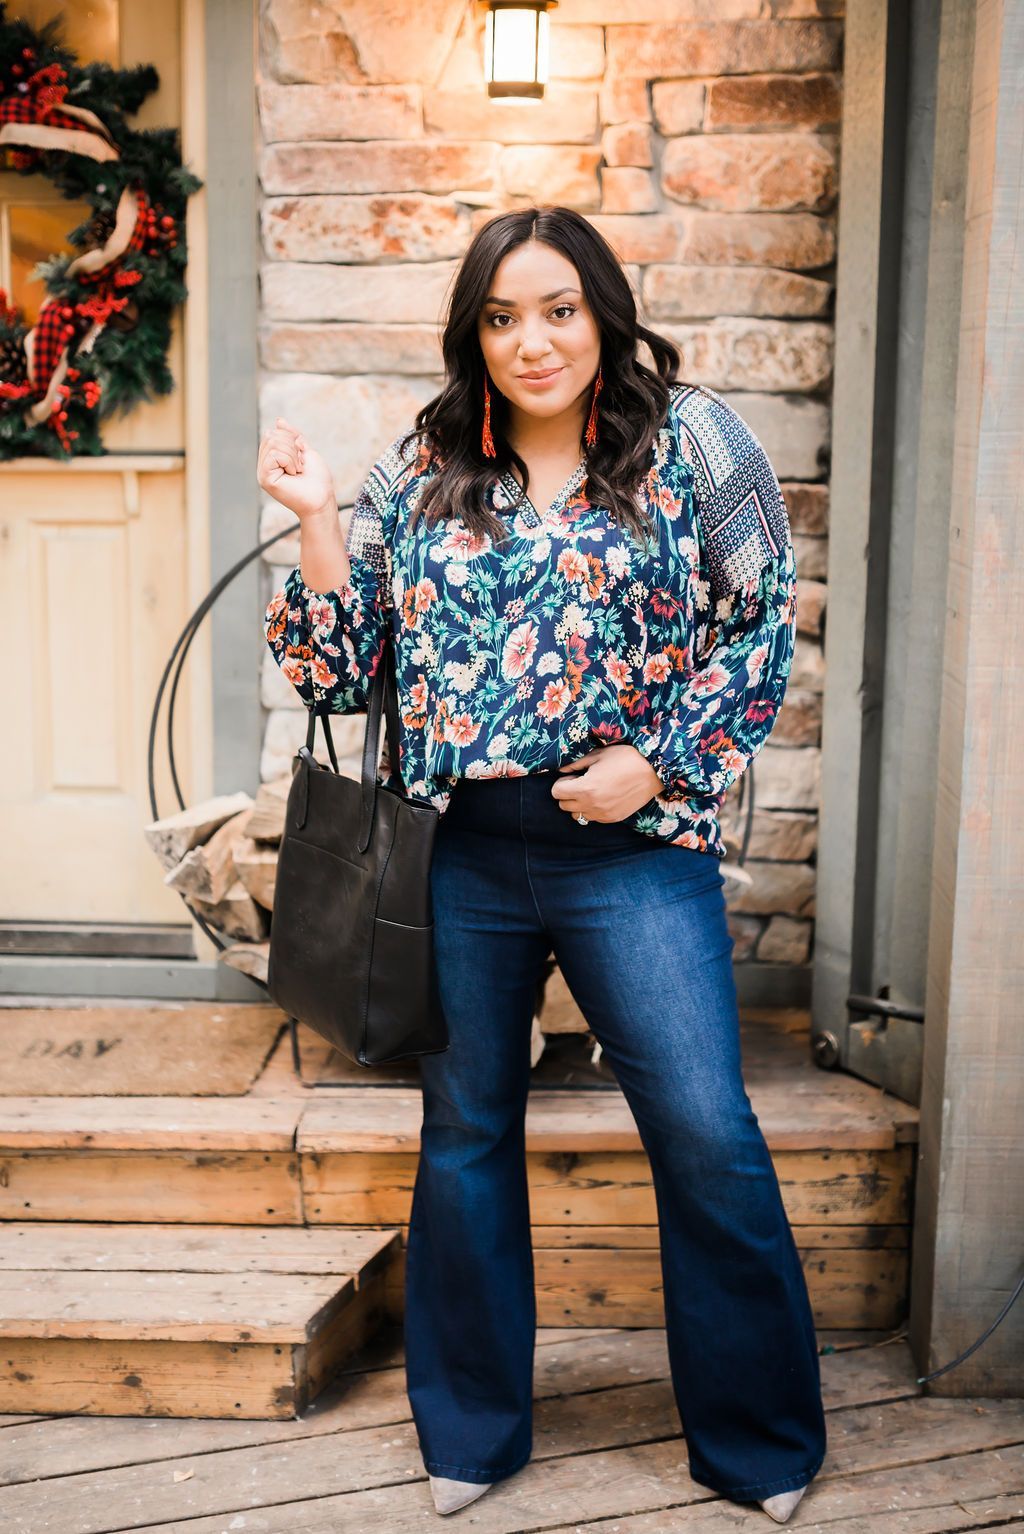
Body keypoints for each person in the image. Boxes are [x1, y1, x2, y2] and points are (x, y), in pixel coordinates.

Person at [259, 205, 826, 1522]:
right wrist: (320, 519)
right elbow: (337, 670)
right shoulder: (428, 461)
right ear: (473, 333)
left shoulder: (695, 442)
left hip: (631, 847)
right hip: (461, 851)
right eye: (502, 316)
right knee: (465, 1134)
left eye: (559, 308)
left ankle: (761, 1442)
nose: (533, 340)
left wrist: (662, 764)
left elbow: (759, 634)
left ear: (604, 312)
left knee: (705, 1129)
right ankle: (470, 1433)